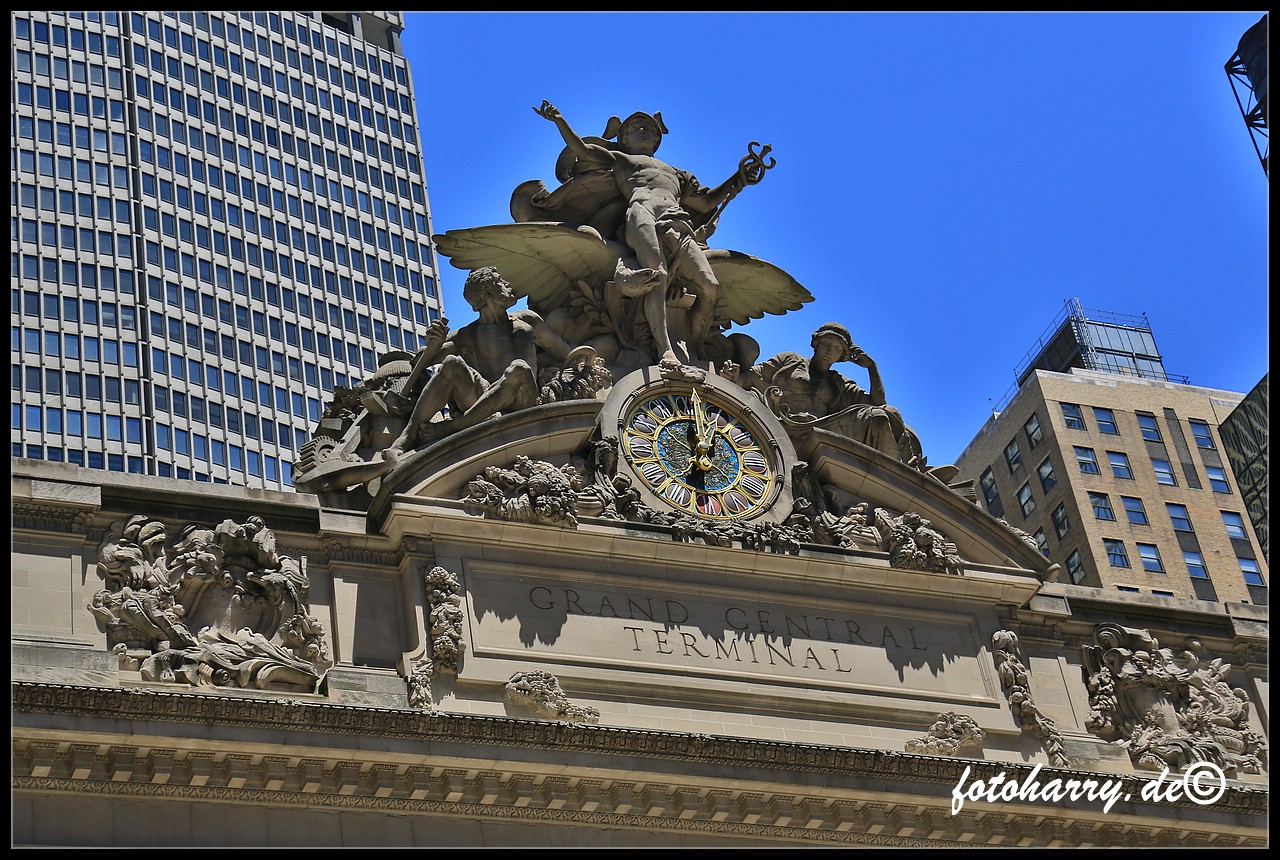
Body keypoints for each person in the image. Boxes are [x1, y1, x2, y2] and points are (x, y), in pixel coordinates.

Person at [532, 101, 745, 365]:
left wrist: (738, 178)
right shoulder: (622, 160)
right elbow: (584, 150)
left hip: (677, 221)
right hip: (642, 213)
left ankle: (694, 347)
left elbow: (706, 201)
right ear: (624, 138)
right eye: (635, 128)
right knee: (657, 276)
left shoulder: (678, 174)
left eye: (648, 128)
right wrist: (560, 121)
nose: (643, 130)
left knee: (710, 286)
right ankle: (665, 350)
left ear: (657, 139)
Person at [383, 266, 572, 457]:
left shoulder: (527, 321)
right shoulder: (467, 335)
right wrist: (434, 344)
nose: (508, 285)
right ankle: (406, 437)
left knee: (519, 368)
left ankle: (454, 426)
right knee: (451, 363)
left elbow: (562, 350)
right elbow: (420, 360)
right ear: (488, 292)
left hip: (523, 400)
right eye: (501, 281)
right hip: (482, 399)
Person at [740, 322, 925, 467]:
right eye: (826, 344)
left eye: (837, 348)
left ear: (842, 356)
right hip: (785, 421)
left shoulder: (839, 383)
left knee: (884, 414)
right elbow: (752, 377)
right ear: (816, 344)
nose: (830, 351)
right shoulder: (790, 360)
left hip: (821, 429)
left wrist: (871, 368)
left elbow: (878, 403)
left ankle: (897, 472)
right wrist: (730, 378)